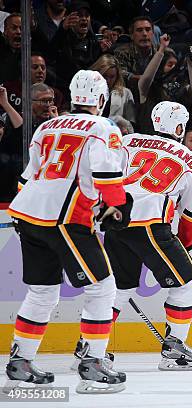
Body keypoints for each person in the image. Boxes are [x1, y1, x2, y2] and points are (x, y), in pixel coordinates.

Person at [5, 70, 131, 393]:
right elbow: (107, 177)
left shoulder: (46, 126)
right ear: (102, 100)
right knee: (103, 288)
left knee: (43, 291)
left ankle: (20, 360)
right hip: (65, 218)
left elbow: (26, 178)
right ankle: (93, 363)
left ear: (73, 98)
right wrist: (117, 206)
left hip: (27, 214)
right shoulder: (103, 127)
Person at [91, 101, 192, 371]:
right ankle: (175, 352)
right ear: (180, 127)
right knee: (186, 284)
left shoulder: (129, 140)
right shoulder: (188, 158)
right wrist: (185, 241)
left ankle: (92, 349)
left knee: (118, 288)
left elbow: (103, 174)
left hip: (116, 222)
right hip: (150, 226)